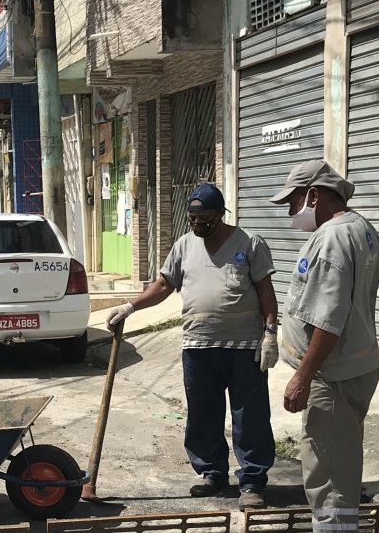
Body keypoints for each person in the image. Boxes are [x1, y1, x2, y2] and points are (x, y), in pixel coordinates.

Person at [107, 183, 279, 510]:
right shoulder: (185, 246)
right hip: (198, 346)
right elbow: (162, 285)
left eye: (205, 217)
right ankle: (212, 473)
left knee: (251, 416)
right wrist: (130, 306)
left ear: (220, 215)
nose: (199, 223)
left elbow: (266, 291)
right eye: (194, 217)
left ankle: (253, 481)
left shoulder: (249, 243)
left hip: (244, 347)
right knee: (202, 414)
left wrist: (270, 331)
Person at [270, 160, 379, 533]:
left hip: (332, 375)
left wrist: (302, 375)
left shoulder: (332, 238)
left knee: (328, 472)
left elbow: (328, 320)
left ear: (314, 195)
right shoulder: (361, 228)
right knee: (342, 465)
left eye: (295, 201)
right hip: (357, 365)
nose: (291, 212)